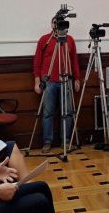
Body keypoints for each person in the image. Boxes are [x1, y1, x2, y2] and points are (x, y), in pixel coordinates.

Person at [33, 17, 81, 154]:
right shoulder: (45, 40)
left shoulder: (69, 40)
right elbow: (37, 62)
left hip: (66, 80)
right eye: (55, 22)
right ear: (52, 24)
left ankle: (65, 140)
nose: (57, 25)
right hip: (49, 81)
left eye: (59, 23)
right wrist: (37, 81)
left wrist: (77, 79)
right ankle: (47, 142)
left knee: (68, 113)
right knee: (47, 113)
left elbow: (74, 61)